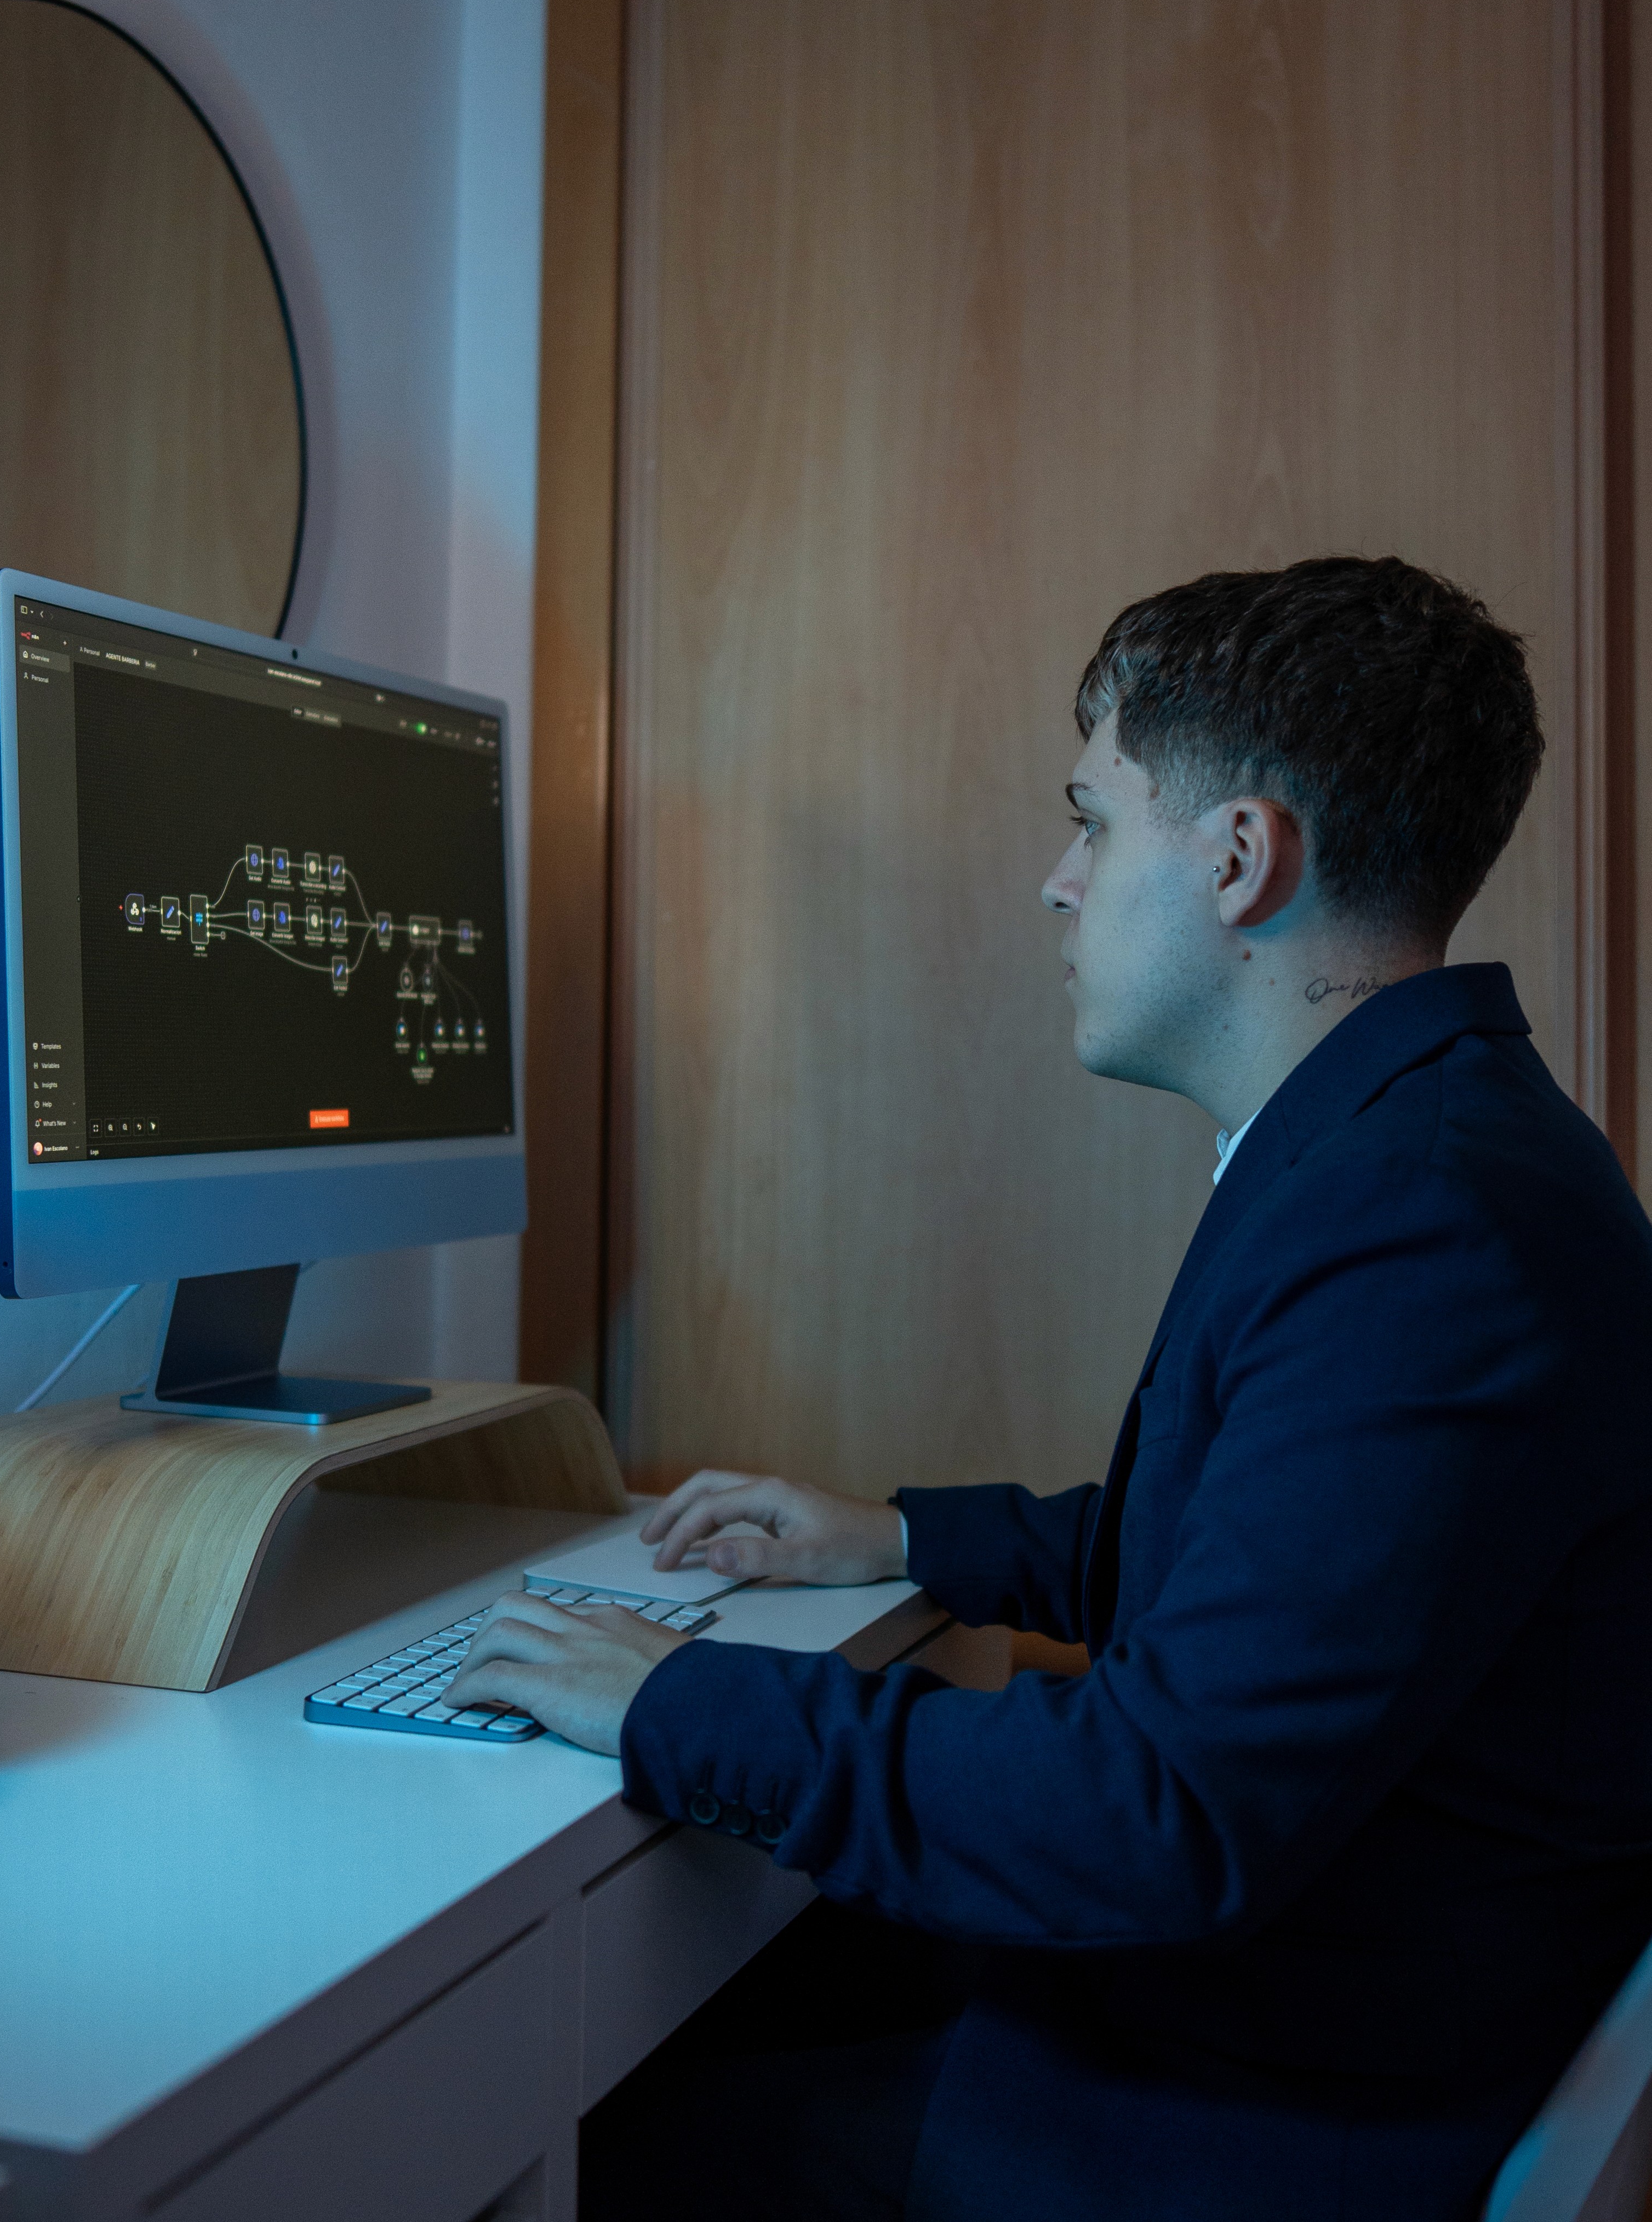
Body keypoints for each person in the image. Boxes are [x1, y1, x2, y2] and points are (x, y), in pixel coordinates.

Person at [449, 557, 1652, 2221]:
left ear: (1239, 860)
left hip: (1247, 2122)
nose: (1056, 882)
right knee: (716, 1999)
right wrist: (907, 1539)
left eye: (1092, 824)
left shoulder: (1423, 1226)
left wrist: (674, 1698)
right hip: (1294, 2010)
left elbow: (1159, 1811)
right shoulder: (1426, 1148)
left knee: (564, 2139)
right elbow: (1274, 1580)